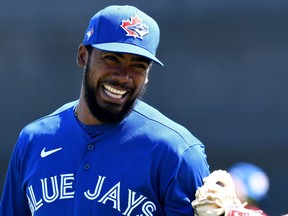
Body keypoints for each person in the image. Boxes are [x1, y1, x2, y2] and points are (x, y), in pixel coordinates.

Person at [0, 5, 210, 215]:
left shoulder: (177, 153)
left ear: (147, 74)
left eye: (138, 65)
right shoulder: (33, 141)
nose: (123, 76)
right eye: (112, 58)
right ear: (83, 56)